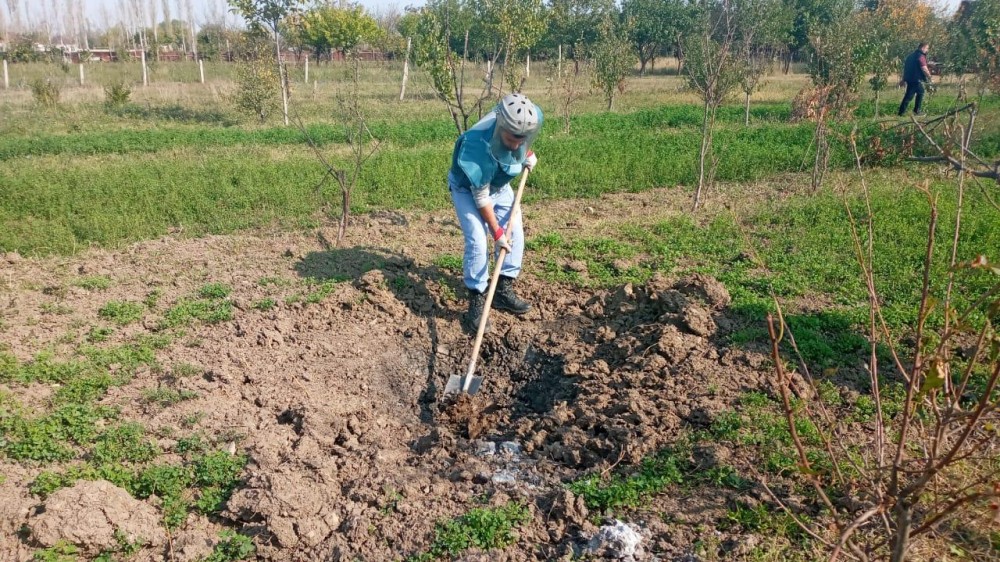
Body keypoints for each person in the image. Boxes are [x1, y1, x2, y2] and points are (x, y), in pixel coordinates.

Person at [448, 93, 543, 333]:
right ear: (501, 127)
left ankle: (502, 290)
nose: (517, 143)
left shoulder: (526, 119)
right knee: (479, 241)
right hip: (468, 191)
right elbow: (481, 198)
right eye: (513, 138)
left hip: (499, 187)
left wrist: (525, 155)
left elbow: (521, 144)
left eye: (523, 139)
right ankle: (477, 302)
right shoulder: (476, 146)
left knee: (516, 235)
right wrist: (497, 232)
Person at [898, 42, 933, 117]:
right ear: (922, 48)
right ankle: (913, 111)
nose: (927, 50)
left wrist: (904, 79)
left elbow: (906, 69)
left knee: (918, 92)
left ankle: (905, 111)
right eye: (927, 48)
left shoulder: (910, 56)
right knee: (911, 95)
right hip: (916, 79)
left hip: (910, 79)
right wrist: (929, 77)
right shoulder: (920, 56)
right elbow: (924, 68)